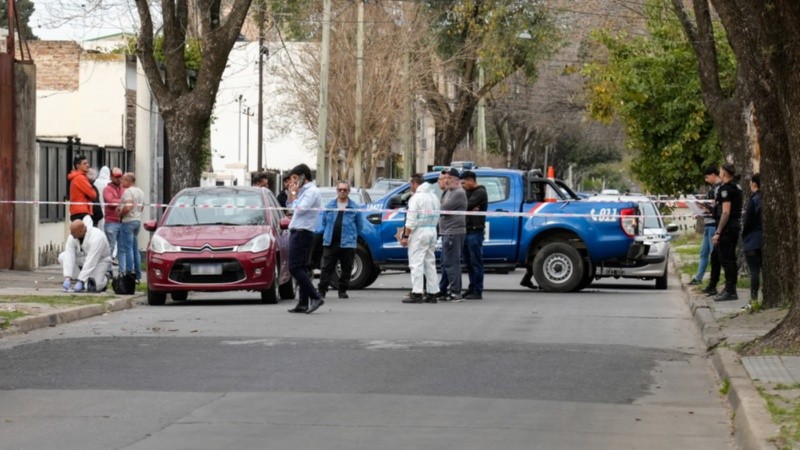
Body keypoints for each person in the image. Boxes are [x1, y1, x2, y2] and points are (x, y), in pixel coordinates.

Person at [285, 164, 325, 314]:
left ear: (303, 177)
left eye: (295, 178)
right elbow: (290, 207)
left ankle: (315, 297)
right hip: (297, 230)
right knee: (300, 268)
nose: (292, 182)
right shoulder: (304, 191)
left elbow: (301, 209)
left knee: (294, 267)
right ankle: (302, 303)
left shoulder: (311, 191)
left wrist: (295, 194)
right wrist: (292, 194)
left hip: (303, 232)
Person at [316, 181, 363, 299]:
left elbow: (359, 225)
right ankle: (322, 290)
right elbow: (324, 222)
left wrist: (352, 235)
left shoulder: (354, 207)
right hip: (330, 241)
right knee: (326, 267)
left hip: (348, 242)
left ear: (349, 191)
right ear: (336, 191)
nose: (342, 192)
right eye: (340, 189)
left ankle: (342, 290)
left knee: (346, 267)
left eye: (345, 190)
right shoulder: (330, 205)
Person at [401, 179, 441, 303]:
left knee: (416, 263)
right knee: (430, 262)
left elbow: (411, 219)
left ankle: (417, 292)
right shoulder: (434, 196)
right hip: (432, 230)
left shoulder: (416, 198)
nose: (410, 187)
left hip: (419, 232)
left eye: (410, 185)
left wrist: (406, 236)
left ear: (414, 183)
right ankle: (432, 292)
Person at [711, 164, 743, 301]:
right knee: (730, 258)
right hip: (733, 225)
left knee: (726, 258)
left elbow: (725, 212)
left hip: (727, 228)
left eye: (720, 171)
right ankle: (730, 288)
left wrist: (718, 232)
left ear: (724, 173)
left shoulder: (726, 189)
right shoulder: (736, 187)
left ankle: (730, 290)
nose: (719, 172)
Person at [437, 168, 467, 301]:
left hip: (453, 232)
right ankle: (445, 290)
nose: (446, 181)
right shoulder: (449, 192)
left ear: (455, 179)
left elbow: (443, 208)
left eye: (448, 178)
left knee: (452, 263)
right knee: (446, 263)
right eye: (445, 178)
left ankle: (456, 291)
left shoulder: (459, 193)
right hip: (446, 231)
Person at [58, 219, 112, 292]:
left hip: (101, 260)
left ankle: (105, 279)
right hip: (85, 258)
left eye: (73, 232)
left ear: (81, 231)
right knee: (63, 256)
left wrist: (81, 280)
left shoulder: (97, 236)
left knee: (94, 287)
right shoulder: (73, 236)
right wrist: (67, 277)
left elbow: (91, 260)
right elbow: (69, 255)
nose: (71, 234)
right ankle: (81, 279)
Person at [689, 166, 722, 286]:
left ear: (714, 174)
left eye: (707, 177)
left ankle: (713, 281)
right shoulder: (712, 189)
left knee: (714, 255)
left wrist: (705, 208)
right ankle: (698, 278)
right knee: (703, 253)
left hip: (713, 224)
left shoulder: (719, 189)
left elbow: (717, 208)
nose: (706, 180)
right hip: (708, 224)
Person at [460, 170, 487, 300]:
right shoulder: (468, 192)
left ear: (471, 180)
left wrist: (468, 206)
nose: (462, 185)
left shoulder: (480, 192)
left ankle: (477, 290)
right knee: (468, 263)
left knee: (476, 262)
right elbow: (465, 205)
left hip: (475, 231)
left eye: (464, 182)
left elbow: (466, 205)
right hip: (466, 230)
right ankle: (472, 288)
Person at [119, 172, 145, 282]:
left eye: (123, 179)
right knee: (135, 248)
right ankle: (138, 275)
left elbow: (128, 206)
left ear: (129, 181)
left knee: (128, 248)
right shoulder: (140, 191)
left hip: (128, 221)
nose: (121, 181)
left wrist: (120, 213)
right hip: (137, 221)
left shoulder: (128, 192)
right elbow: (142, 207)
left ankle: (130, 273)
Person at [741, 173, 762, 302]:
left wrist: (744, 235)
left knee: (754, 271)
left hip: (752, 241)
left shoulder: (753, 199)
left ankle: (753, 299)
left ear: (754, 184)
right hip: (763, 239)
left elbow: (748, 221)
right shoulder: (765, 198)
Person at [103, 168, 125, 266]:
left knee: (122, 247)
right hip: (111, 221)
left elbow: (128, 201)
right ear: (111, 177)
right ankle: (107, 270)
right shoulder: (107, 189)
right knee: (110, 247)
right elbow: (110, 202)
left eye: (120, 176)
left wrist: (117, 201)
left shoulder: (124, 188)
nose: (118, 179)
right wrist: (122, 201)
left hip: (122, 221)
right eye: (116, 177)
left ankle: (122, 271)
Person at [68, 155, 97, 223]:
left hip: (78, 211)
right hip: (81, 212)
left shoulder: (77, 177)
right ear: (78, 166)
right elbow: (93, 195)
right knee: (87, 233)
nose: (88, 165)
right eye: (84, 163)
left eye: (87, 163)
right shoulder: (80, 178)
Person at [93, 166, 111, 230]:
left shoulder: (95, 182)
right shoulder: (109, 183)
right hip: (107, 209)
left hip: (97, 208)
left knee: (99, 227)